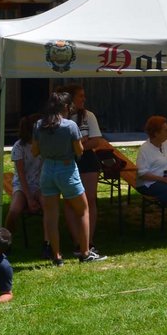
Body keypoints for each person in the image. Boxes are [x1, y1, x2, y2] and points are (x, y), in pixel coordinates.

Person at [33, 91, 104, 265]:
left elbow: (34, 151)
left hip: (47, 168)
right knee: (83, 209)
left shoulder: (38, 125)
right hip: (67, 168)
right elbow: (79, 151)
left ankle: (56, 256)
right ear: (65, 107)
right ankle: (85, 252)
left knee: (51, 214)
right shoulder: (70, 125)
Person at [63, 85, 106, 256]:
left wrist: (78, 146)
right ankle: (76, 242)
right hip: (68, 161)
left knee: (89, 200)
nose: (84, 99)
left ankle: (89, 240)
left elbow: (96, 140)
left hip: (87, 161)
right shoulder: (62, 117)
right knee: (69, 201)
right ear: (71, 98)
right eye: (80, 96)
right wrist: (80, 144)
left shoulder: (89, 116)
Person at [6, 115, 44, 251]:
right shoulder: (19, 146)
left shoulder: (43, 144)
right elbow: (21, 174)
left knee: (49, 208)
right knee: (14, 210)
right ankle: (6, 240)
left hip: (40, 184)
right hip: (22, 185)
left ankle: (48, 242)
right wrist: (29, 198)